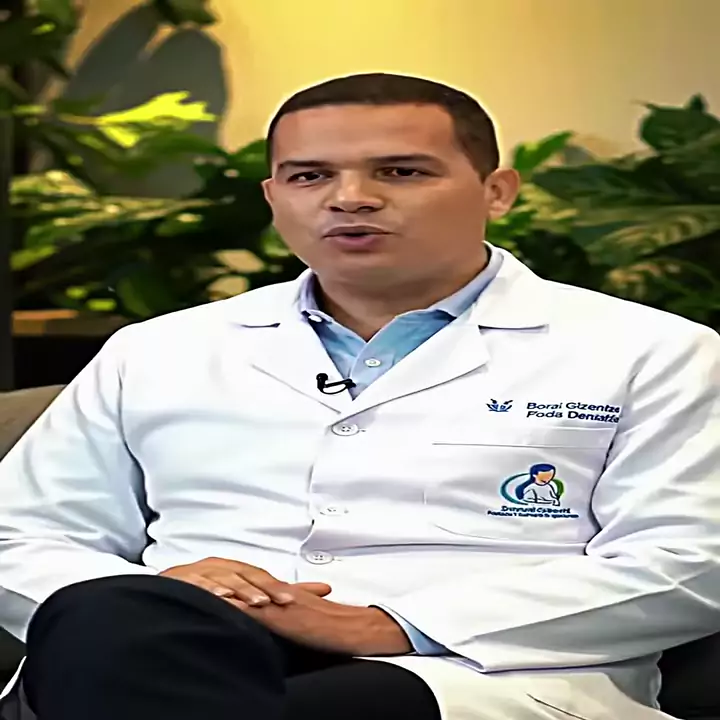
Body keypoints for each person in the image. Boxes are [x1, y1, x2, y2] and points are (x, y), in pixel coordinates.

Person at [0, 72, 719, 720]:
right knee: (113, 620)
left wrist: (391, 624)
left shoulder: (652, 351)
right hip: (182, 651)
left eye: (401, 171)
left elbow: (691, 559)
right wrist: (171, 596)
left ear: (497, 191)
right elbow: (21, 534)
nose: (350, 198)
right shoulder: (157, 349)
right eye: (310, 175)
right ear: (274, 198)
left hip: (474, 670)